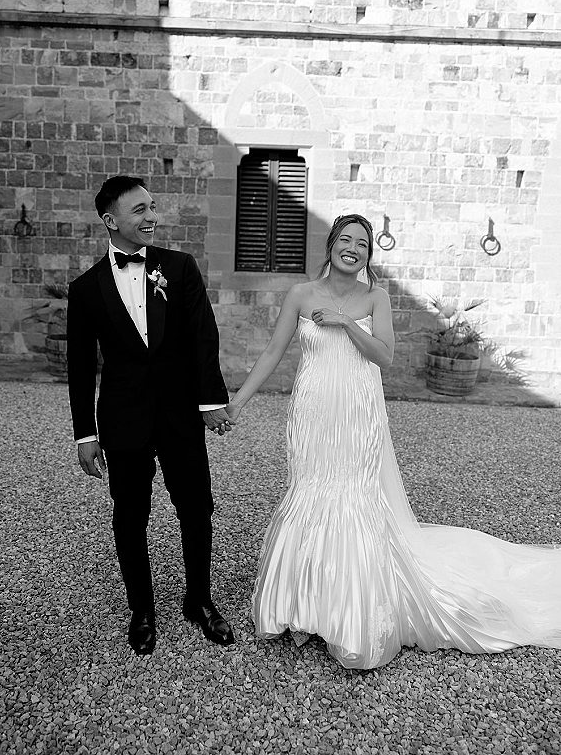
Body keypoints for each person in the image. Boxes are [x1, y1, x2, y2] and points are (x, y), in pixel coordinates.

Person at [226, 213, 561, 669]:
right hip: (312, 413)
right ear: (330, 246)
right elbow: (272, 352)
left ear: (368, 253)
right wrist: (238, 403)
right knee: (310, 494)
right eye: (345, 239)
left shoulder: (376, 297)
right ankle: (301, 605)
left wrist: (346, 322)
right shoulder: (301, 295)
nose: (353, 247)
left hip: (359, 417)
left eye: (362, 243)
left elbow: (384, 356)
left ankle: (349, 614)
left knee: (353, 499)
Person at [67, 176, 235, 656]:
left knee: (196, 509)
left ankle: (199, 601)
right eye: (139, 209)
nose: (150, 217)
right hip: (122, 421)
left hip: (181, 415)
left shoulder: (179, 269)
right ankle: (142, 609)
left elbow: (204, 337)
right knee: (129, 517)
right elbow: (80, 368)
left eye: (153, 207)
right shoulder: (85, 290)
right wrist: (85, 433)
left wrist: (208, 403)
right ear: (111, 220)